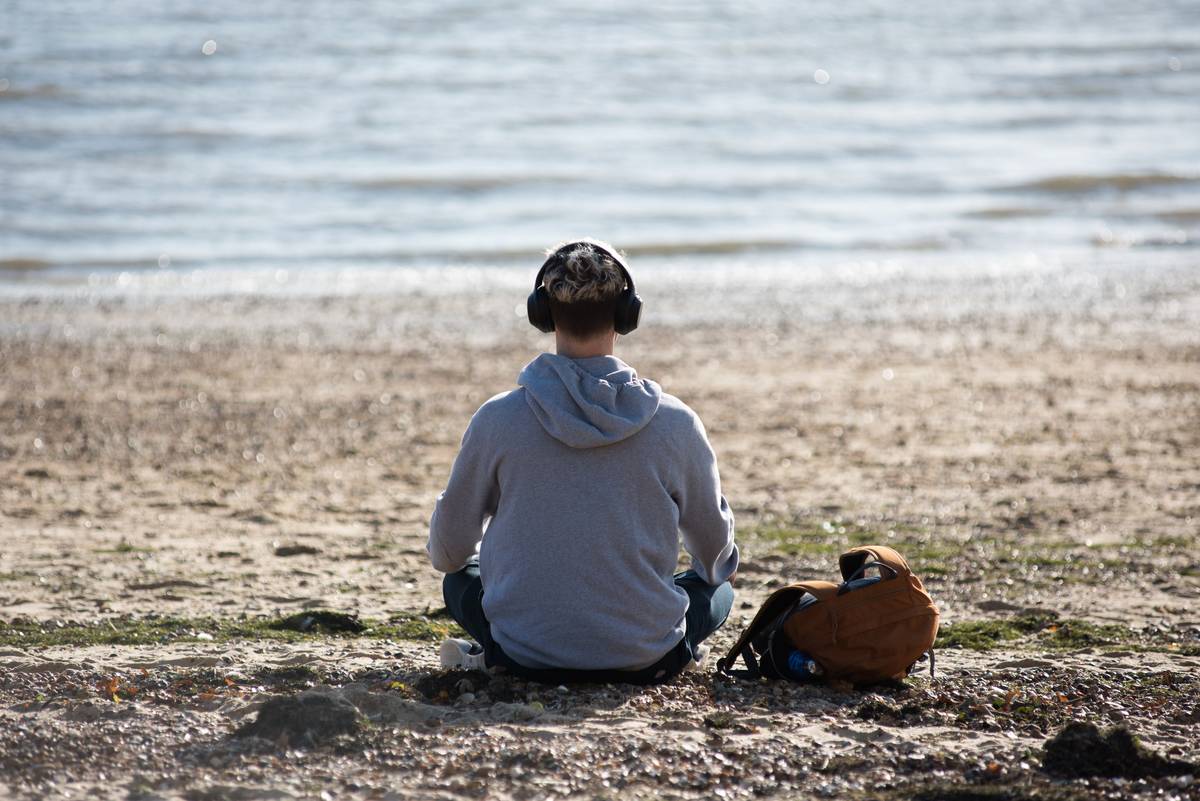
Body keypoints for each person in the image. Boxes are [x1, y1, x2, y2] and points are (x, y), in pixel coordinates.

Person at [426, 239, 738, 685]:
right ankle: (677, 650)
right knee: (717, 590)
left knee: (460, 581)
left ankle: (490, 653)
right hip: (646, 656)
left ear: (543, 312)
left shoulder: (498, 418)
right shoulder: (676, 423)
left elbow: (449, 552)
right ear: (628, 314)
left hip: (524, 654)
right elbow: (715, 557)